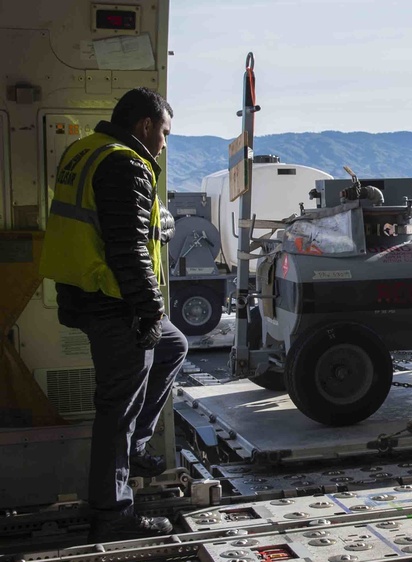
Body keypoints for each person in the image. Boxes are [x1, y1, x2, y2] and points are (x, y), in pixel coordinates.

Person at [38, 87, 187, 543]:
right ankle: (112, 510)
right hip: (115, 301)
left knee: (173, 346)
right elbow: (126, 249)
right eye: (164, 132)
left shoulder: (83, 151)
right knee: (116, 408)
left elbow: (112, 225)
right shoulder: (124, 162)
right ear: (145, 125)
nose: (164, 142)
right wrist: (147, 310)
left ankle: (136, 449)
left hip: (88, 293)